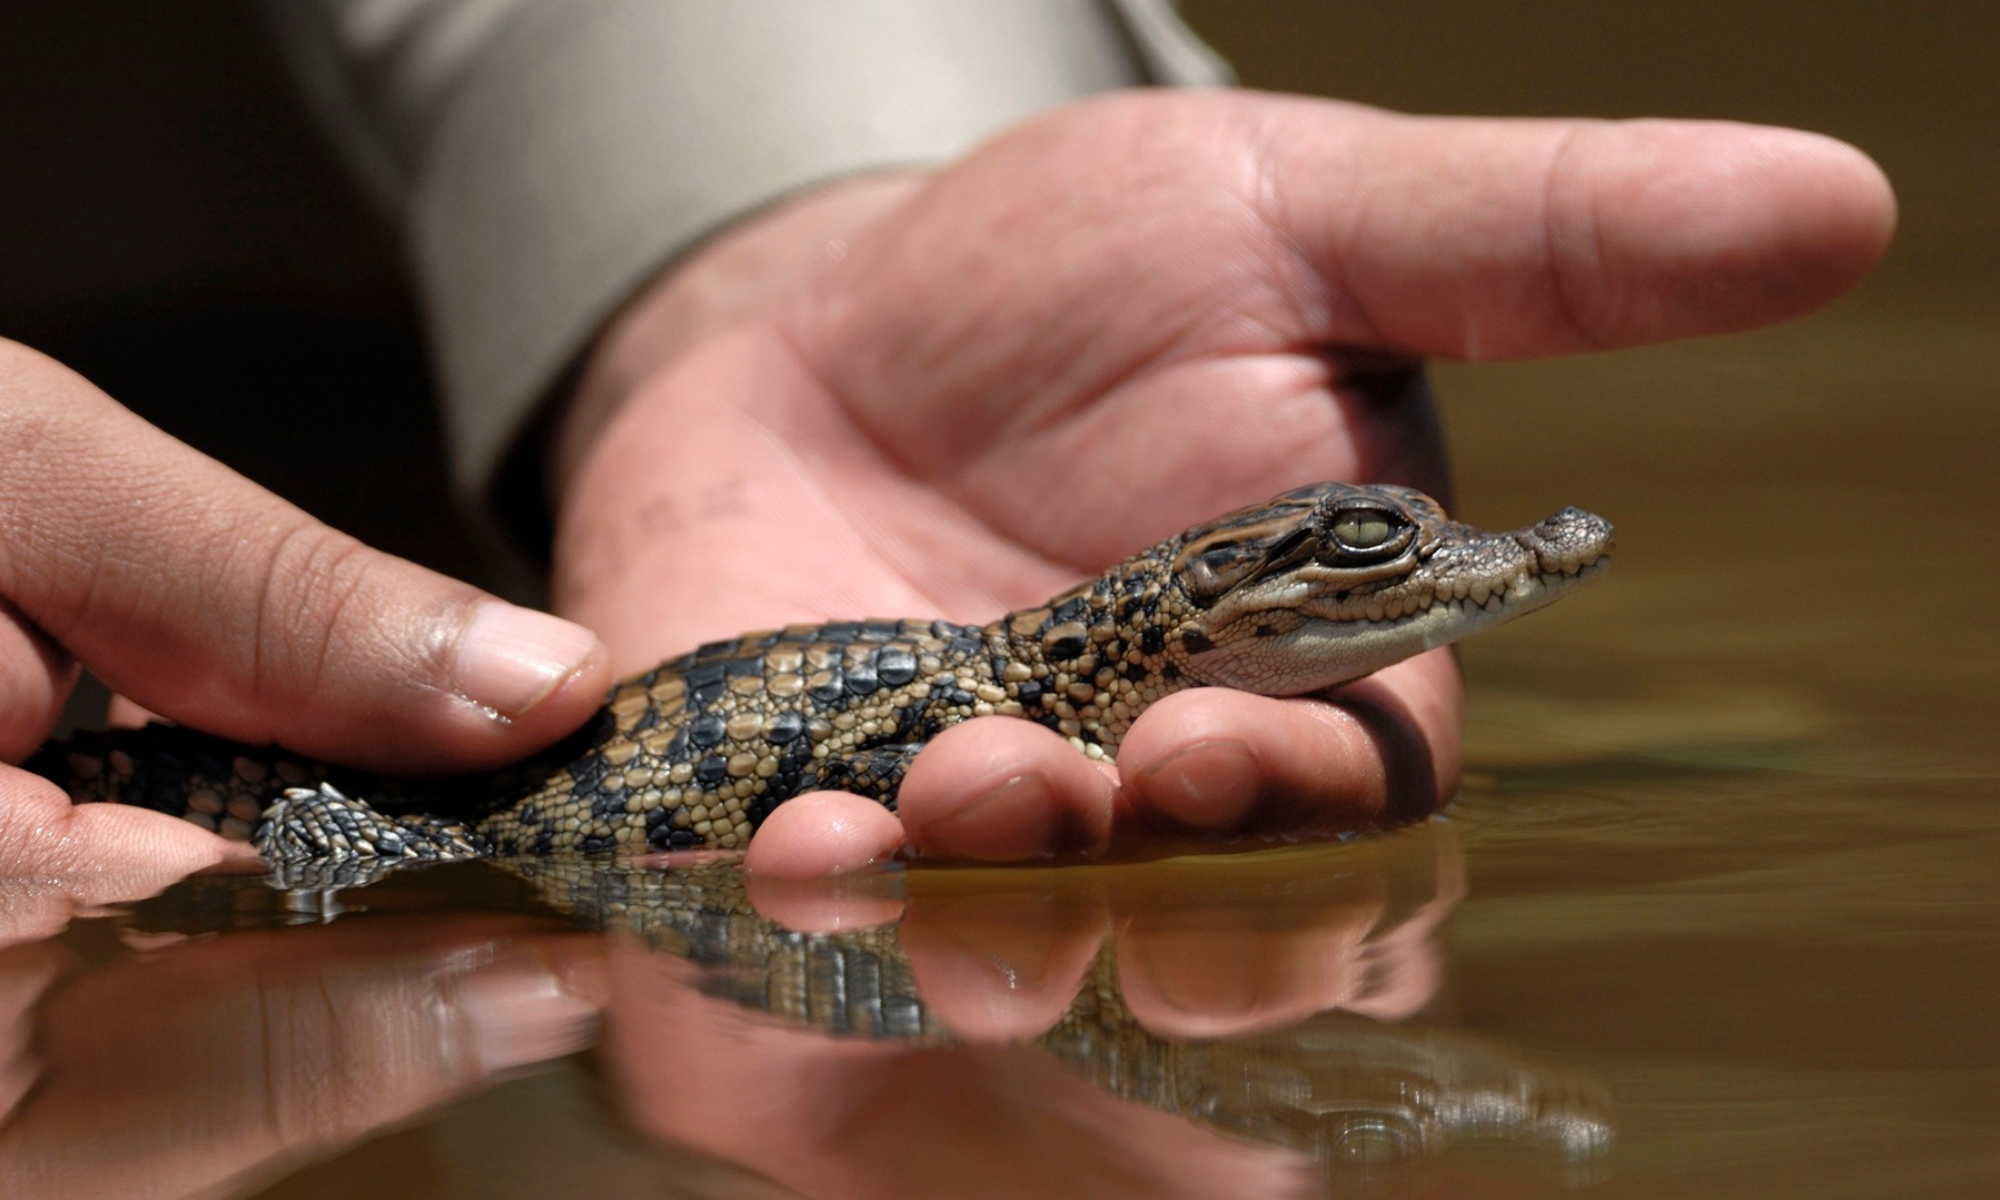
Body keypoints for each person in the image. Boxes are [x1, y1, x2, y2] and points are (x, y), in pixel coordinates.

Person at [0, 2, 1895, 887]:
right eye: (1372, 553)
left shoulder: (1033, 697)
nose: (1490, 559)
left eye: (1387, 553)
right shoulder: (997, 697)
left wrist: (761, 241)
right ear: (1211, 614)